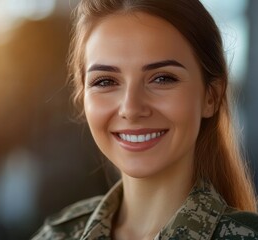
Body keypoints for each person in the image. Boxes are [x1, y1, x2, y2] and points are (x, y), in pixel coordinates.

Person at [31, 0, 258, 239]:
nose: (131, 108)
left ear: (211, 96)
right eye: (105, 81)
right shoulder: (55, 235)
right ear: (82, 97)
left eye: (162, 78)